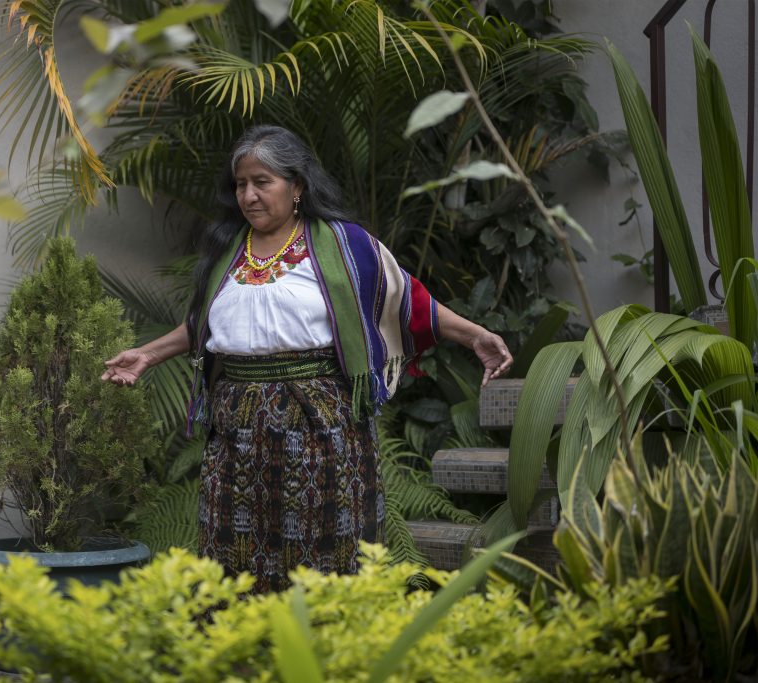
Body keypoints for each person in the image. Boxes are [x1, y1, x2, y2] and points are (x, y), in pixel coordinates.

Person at [102, 125, 512, 592]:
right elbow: (208, 326)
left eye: (263, 181)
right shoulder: (228, 252)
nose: (249, 196)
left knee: (321, 554)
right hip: (236, 432)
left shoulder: (345, 245)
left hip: (321, 425)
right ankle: (245, 654)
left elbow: (409, 302)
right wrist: (147, 356)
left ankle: (323, 653)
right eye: (241, 184)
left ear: (297, 186)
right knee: (235, 556)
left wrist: (474, 335)